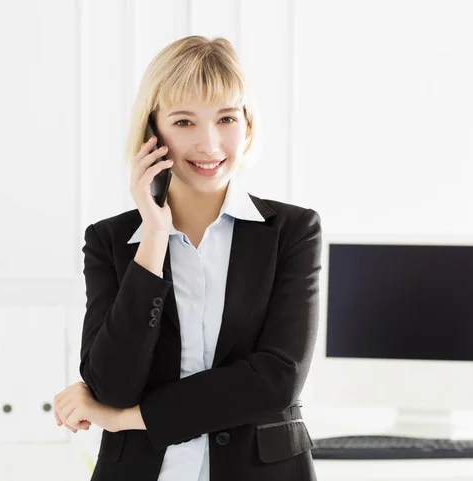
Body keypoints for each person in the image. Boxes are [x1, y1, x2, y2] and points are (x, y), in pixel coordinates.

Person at [53, 35, 322, 481]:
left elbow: (277, 380)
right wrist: (154, 237)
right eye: (184, 122)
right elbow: (112, 385)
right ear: (152, 133)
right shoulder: (111, 240)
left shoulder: (292, 232)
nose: (210, 143)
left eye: (226, 118)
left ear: (248, 126)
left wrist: (129, 419)